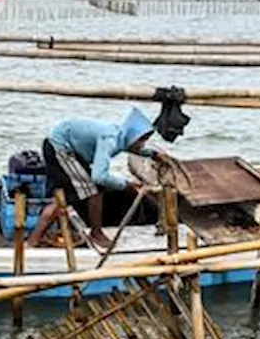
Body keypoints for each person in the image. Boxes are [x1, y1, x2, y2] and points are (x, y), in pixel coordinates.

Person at [26, 107, 167, 250]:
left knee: (64, 198)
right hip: (61, 148)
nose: (142, 144)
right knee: (94, 192)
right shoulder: (110, 139)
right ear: (133, 135)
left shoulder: (120, 135)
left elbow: (134, 148)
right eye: (141, 140)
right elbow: (99, 176)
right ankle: (96, 232)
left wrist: (153, 155)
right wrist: (126, 184)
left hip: (65, 147)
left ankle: (33, 240)